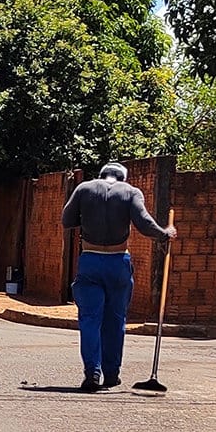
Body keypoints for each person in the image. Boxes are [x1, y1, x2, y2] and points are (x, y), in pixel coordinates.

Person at [61, 162, 176, 392]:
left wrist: (88, 218)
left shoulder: (84, 189)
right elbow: (144, 223)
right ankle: (111, 374)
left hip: (90, 261)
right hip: (118, 262)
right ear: (123, 177)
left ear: (102, 175)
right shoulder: (131, 192)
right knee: (115, 320)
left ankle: (92, 371)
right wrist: (165, 234)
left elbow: (67, 220)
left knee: (90, 319)